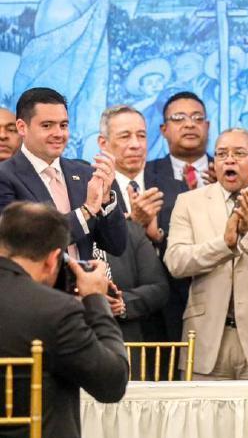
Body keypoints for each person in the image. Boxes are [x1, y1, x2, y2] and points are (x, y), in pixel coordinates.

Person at [0, 201, 128, 438]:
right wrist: (96, 301)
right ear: (53, 259)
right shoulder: (54, 312)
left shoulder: (54, 308)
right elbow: (112, 383)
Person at [164, 128, 248, 380]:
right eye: (222, 154)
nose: (229, 160)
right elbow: (176, 262)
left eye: (238, 153)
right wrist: (224, 245)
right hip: (204, 343)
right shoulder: (188, 202)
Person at [0, 87, 126, 260]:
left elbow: (116, 246)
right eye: (47, 125)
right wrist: (86, 211)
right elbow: (25, 243)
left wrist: (105, 201)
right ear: (22, 127)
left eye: (63, 125)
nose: (58, 134)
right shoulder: (5, 176)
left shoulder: (85, 173)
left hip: (85, 277)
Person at [143, 91, 215, 343]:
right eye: (179, 118)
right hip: (164, 299)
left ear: (208, 126)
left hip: (220, 294)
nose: (189, 124)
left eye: (197, 118)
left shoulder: (229, 172)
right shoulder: (146, 175)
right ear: (164, 129)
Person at [96, 105, 169, 342]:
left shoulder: (175, 188)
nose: (136, 144)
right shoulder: (92, 192)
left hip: (168, 318)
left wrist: (157, 237)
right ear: (103, 143)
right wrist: (132, 225)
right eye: (125, 136)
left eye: (141, 135)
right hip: (114, 326)